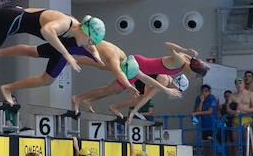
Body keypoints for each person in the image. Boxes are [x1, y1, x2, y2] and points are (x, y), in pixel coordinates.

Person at [70, 41, 204, 113]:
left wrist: (190, 54)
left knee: (104, 67)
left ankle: (87, 99)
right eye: (195, 75)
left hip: (139, 68)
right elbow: (167, 45)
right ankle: (78, 98)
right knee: (111, 89)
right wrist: (186, 50)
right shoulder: (180, 61)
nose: (193, 77)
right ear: (193, 70)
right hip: (136, 66)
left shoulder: (186, 62)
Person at [191, 84, 218, 156]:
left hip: (212, 125)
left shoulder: (212, 98)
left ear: (209, 92)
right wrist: (201, 102)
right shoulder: (198, 99)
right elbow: (197, 110)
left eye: (206, 91)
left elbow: (210, 111)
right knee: (205, 145)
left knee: (212, 146)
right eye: (202, 91)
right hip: (204, 125)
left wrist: (196, 113)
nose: (204, 93)